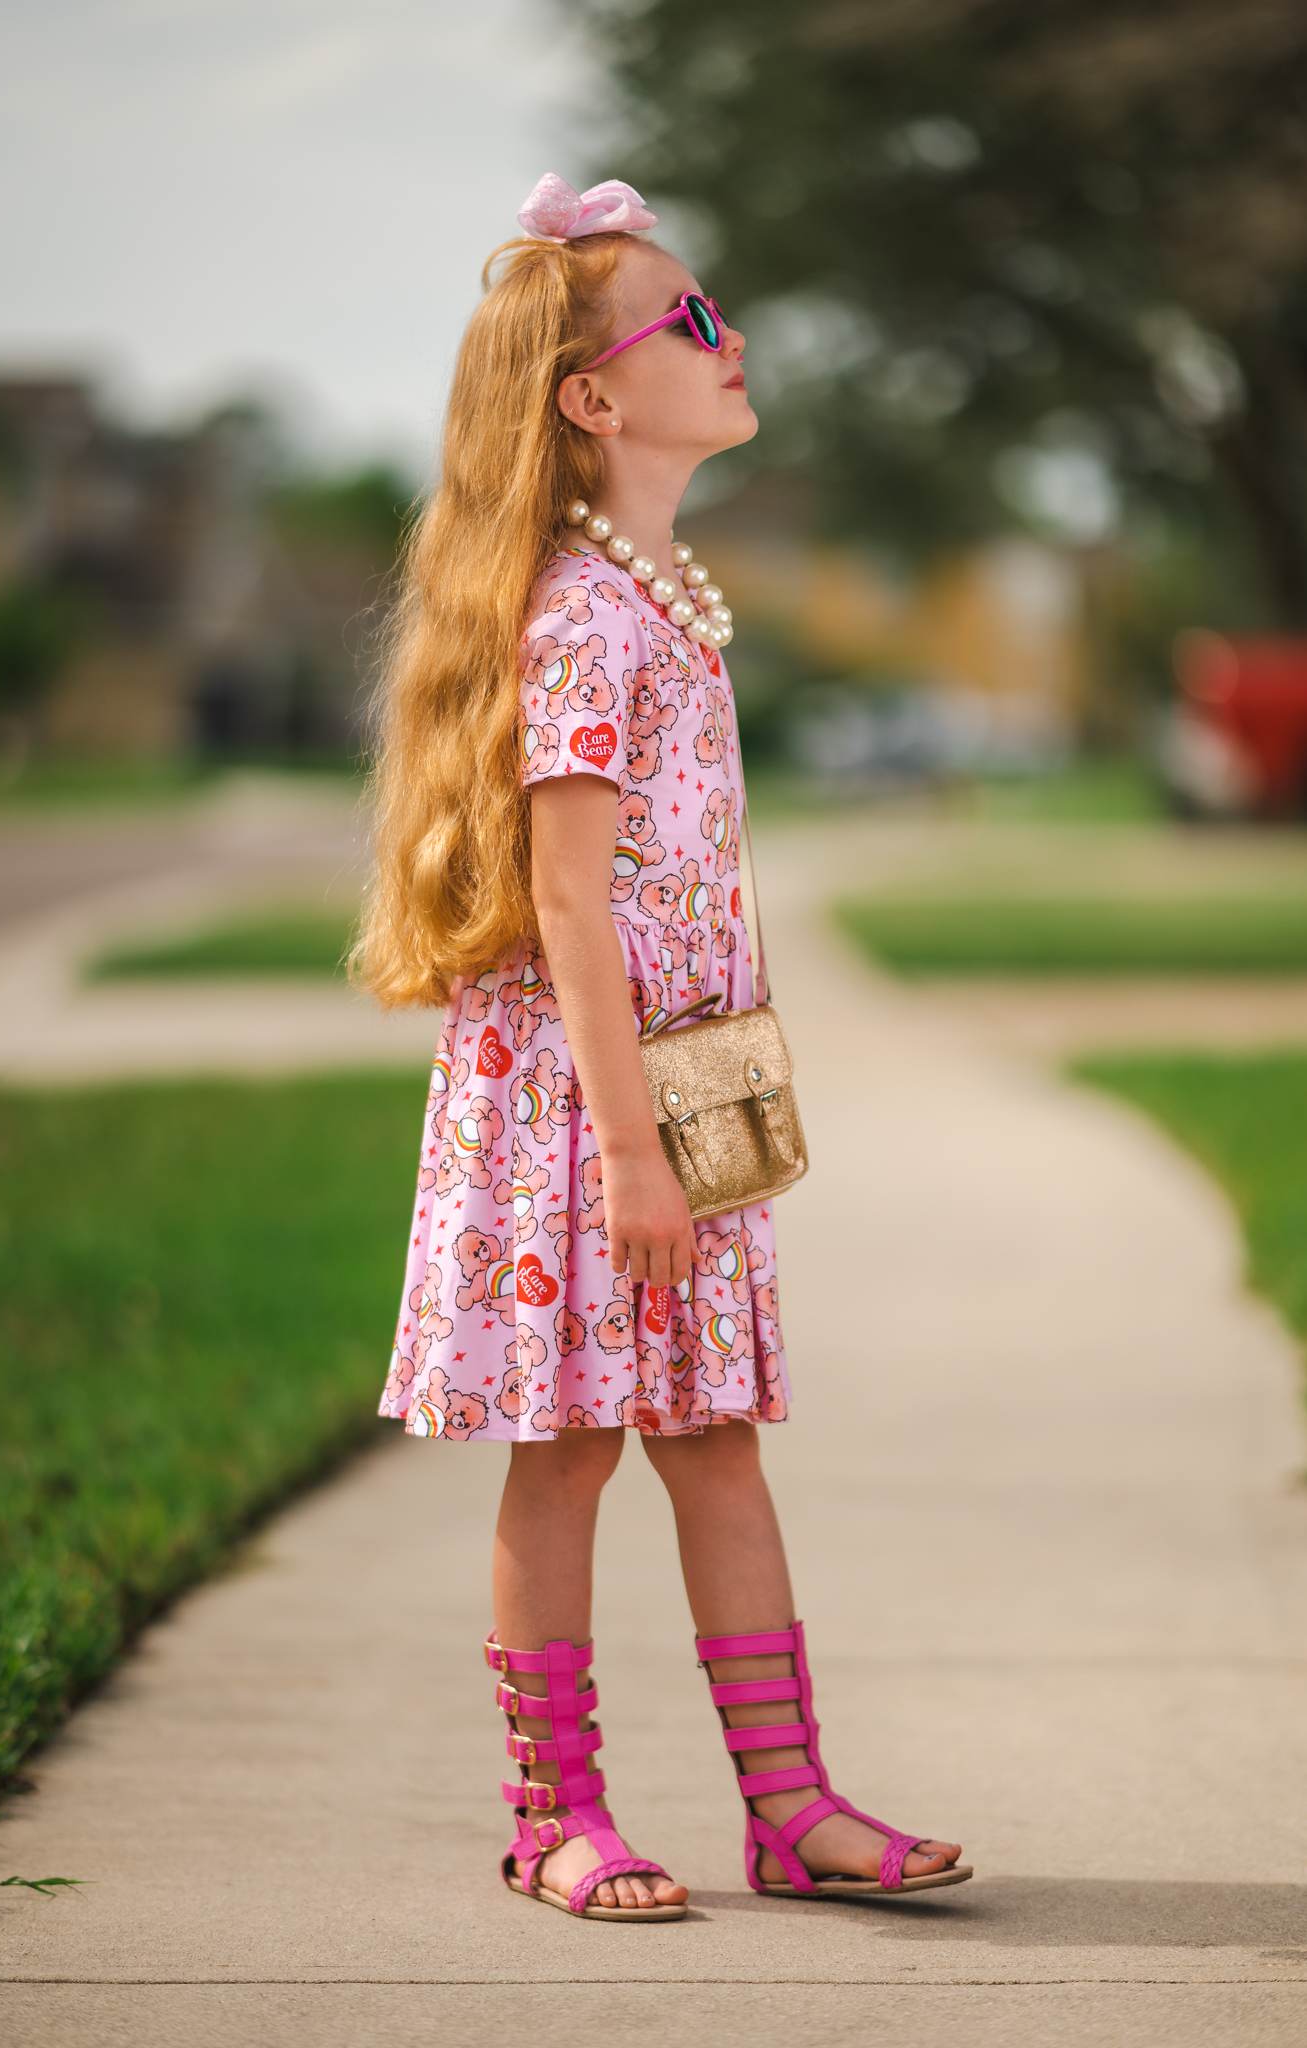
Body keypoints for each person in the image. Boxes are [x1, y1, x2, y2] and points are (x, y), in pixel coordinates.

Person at [349, 172, 971, 1921]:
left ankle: (792, 1807)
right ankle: (556, 1814)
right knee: (571, 1445)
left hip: (664, 1095)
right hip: (577, 1105)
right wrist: (629, 1154)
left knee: (715, 1440)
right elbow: (565, 905)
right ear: (594, 400)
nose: (733, 334)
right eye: (694, 320)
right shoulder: (581, 621)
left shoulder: (661, 599)